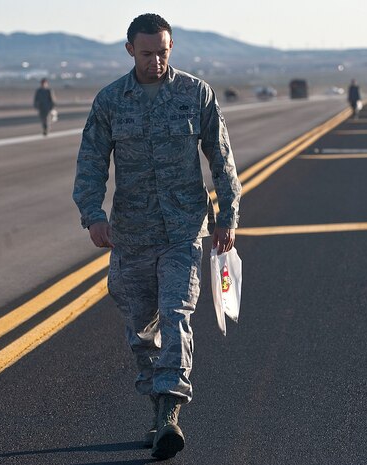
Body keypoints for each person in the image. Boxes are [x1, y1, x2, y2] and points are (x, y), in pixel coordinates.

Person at [72, 13, 241, 460]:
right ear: (130, 50)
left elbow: (221, 159)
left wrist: (227, 216)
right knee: (140, 330)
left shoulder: (195, 94)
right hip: (131, 234)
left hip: (184, 228)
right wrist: (92, 215)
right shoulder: (110, 101)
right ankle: (156, 406)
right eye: (147, 53)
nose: (156, 61)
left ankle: (170, 412)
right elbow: (91, 162)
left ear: (172, 47)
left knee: (176, 314)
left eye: (163, 51)